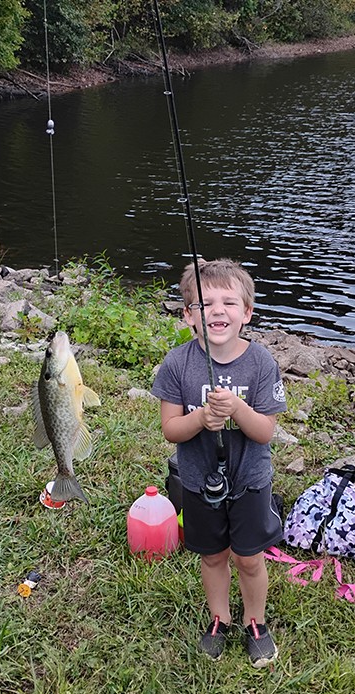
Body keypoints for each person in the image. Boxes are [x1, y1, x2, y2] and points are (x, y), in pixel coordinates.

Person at [152, 259, 287, 667]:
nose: (217, 310)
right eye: (205, 303)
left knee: (249, 557)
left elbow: (265, 431)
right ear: (188, 315)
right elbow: (171, 430)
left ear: (246, 313)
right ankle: (219, 618)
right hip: (197, 482)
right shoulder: (177, 363)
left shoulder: (261, 362)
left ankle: (256, 621)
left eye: (229, 302)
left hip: (249, 481)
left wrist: (238, 410)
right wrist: (201, 419)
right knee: (212, 556)